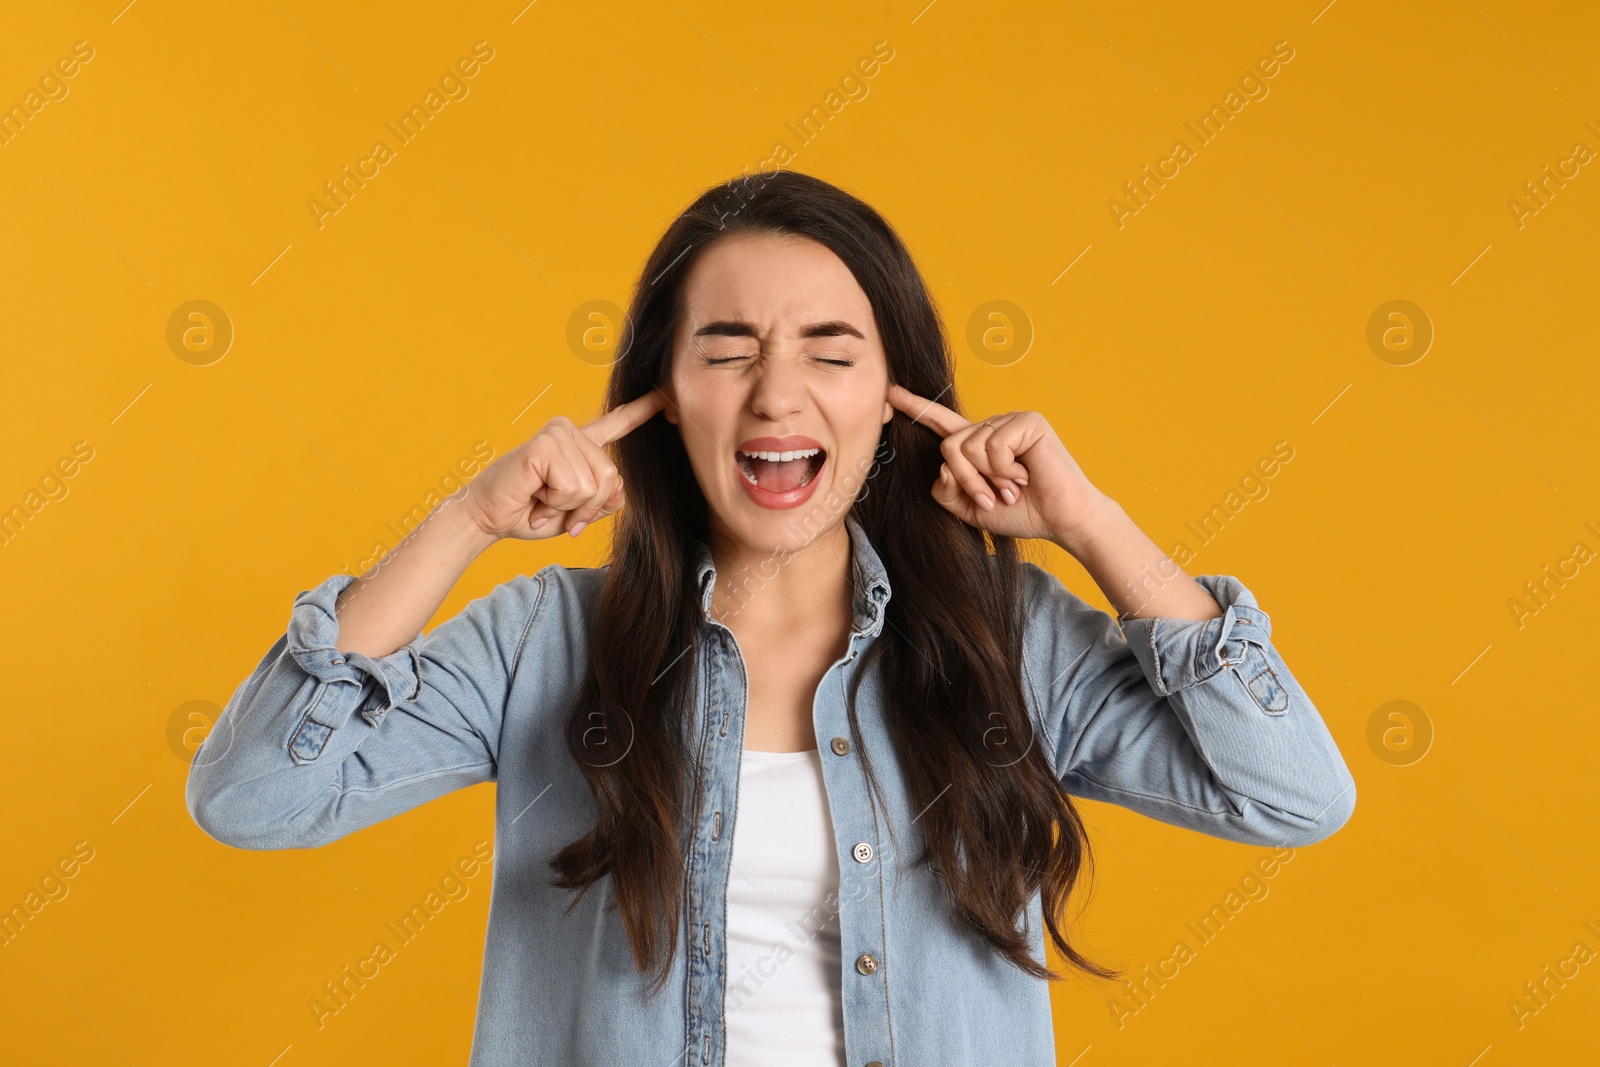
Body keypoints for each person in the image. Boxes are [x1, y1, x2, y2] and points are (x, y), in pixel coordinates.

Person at [186, 169, 1356, 1066]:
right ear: (661, 396)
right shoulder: (544, 639)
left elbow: (1292, 793)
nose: (776, 393)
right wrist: (465, 519)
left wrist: (1093, 525)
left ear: (896, 401)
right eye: (728, 348)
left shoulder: (1006, 636)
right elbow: (251, 799)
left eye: (831, 353)